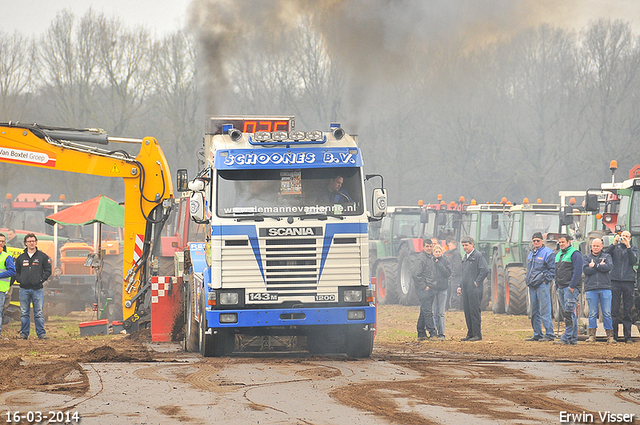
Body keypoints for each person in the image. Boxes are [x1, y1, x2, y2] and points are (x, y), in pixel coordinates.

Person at [14, 233, 51, 340]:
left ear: (36, 242)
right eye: (29, 241)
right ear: (25, 243)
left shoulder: (42, 256)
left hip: (37, 289)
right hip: (24, 289)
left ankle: (41, 334)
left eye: (33, 241)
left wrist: (41, 279)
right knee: (24, 313)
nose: (32, 243)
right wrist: (20, 279)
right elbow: (16, 271)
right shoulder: (20, 258)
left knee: (38, 312)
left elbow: (48, 270)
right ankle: (24, 334)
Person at [604, 231, 637, 343]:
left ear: (630, 238)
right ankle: (614, 336)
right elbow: (606, 255)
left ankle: (628, 336)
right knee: (614, 308)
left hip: (628, 281)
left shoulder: (633, 248)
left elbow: (634, 261)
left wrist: (628, 247)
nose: (625, 238)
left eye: (627, 236)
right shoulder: (615, 248)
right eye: (623, 236)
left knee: (628, 309)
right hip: (615, 280)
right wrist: (613, 243)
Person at [525, 232, 556, 342]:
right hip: (532, 285)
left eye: (538, 240)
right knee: (534, 311)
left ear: (542, 241)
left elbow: (552, 270)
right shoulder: (531, 253)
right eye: (534, 241)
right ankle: (537, 333)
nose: (536, 243)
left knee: (544, 310)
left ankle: (549, 334)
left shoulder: (548, 253)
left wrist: (544, 280)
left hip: (542, 286)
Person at [457, 236, 489, 341]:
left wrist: (476, 282)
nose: (464, 247)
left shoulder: (478, 256)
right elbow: (464, 274)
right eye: (463, 245)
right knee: (467, 311)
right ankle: (470, 333)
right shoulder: (465, 257)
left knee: (474, 311)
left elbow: (484, 270)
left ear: (472, 245)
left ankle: (477, 334)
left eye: (466, 245)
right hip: (465, 289)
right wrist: (460, 286)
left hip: (474, 290)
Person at [583, 237, 615, 344]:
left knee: (607, 313)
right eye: (593, 246)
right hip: (591, 288)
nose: (595, 248)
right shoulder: (586, 257)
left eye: (597, 246)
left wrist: (595, 266)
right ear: (591, 246)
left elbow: (608, 267)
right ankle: (592, 335)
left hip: (605, 288)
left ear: (602, 247)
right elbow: (586, 270)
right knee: (592, 313)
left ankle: (610, 336)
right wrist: (600, 266)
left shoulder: (607, 256)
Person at [553, 234, 583, 345]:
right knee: (568, 313)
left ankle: (567, 337)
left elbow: (578, 272)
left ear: (569, 242)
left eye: (563, 242)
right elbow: (556, 271)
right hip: (561, 287)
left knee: (569, 313)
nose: (561, 244)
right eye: (559, 242)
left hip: (570, 288)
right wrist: (556, 285)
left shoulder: (575, 254)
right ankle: (572, 339)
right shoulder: (558, 255)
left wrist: (571, 286)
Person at [411, 238, 437, 341]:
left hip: (431, 288)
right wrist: (423, 286)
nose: (429, 248)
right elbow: (415, 274)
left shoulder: (431, 258)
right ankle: (433, 333)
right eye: (427, 246)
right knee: (428, 311)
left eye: (431, 246)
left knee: (423, 311)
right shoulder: (421, 259)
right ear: (423, 247)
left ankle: (421, 333)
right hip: (423, 289)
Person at [432, 244, 451, 339]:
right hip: (433, 289)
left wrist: (439, 264)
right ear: (433, 252)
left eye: (439, 251)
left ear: (442, 252)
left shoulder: (445, 261)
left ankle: (442, 333)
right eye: (436, 252)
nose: (438, 253)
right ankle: (433, 332)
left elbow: (448, 273)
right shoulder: (430, 262)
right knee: (432, 312)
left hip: (443, 289)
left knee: (441, 313)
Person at [0, 233, 16, 337]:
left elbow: (12, 271)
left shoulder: (7, 256)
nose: (1, 243)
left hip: (1, 289)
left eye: (2, 241)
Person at [444, 238, 462, 310]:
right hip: (452, 276)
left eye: (450, 245)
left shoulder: (456, 254)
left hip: (455, 277)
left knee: (455, 291)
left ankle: (455, 306)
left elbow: (457, 266)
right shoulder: (450, 254)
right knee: (449, 291)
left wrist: (453, 274)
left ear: (454, 245)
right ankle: (447, 306)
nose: (449, 246)